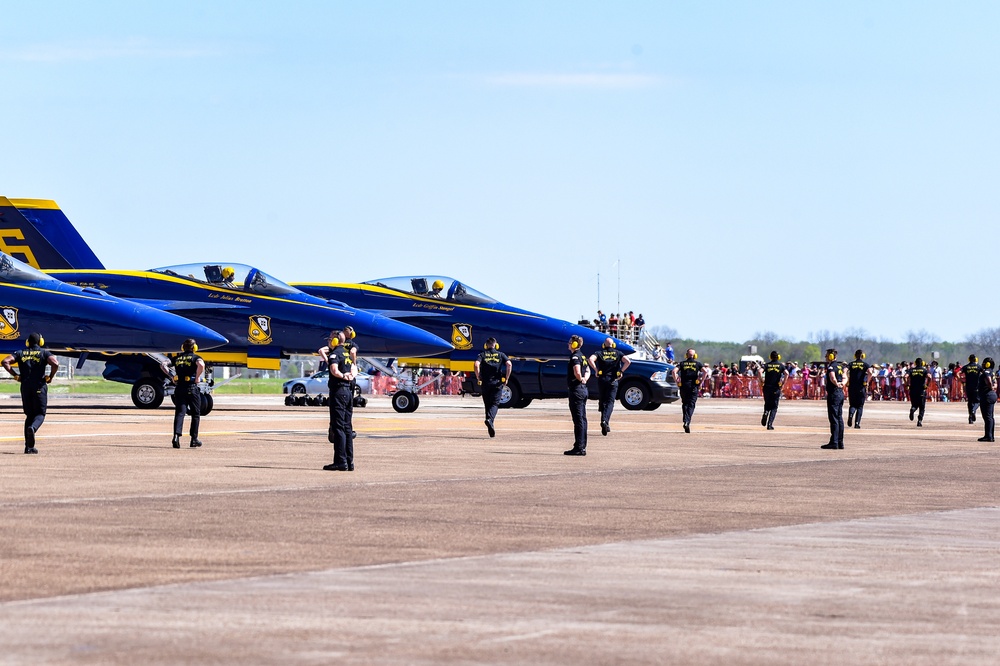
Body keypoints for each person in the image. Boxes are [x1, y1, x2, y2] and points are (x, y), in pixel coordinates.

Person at [2, 332, 58, 454]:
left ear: (28, 342)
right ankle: (33, 428)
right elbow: (55, 363)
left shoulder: (20, 352)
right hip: (39, 386)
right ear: (41, 342)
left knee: (29, 415)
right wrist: (50, 376)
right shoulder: (44, 352)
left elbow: (5, 361)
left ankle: (29, 447)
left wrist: (16, 376)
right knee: (40, 414)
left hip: (25, 387)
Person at [318, 326, 358, 470]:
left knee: (338, 427)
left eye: (329, 339)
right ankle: (349, 462)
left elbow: (334, 370)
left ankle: (340, 462)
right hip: (348, 392)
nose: (328, 342)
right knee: (347, 427)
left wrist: (342, 376)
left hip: (339, 391)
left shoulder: (334, 355)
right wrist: (350, 376)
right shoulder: (347, 354)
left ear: (335, 341)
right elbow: (355, 368)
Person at [160, 338, 205, 448]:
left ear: (182, 347)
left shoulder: (177, 358)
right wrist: (198, 377)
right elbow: (201, 365)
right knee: (195, 414)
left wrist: (171, 377)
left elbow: (163, 364)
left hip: (179, 387)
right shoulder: (195, 358)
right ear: (194, 348)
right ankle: (194, 439)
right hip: (191, 387)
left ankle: (176, 437)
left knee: (180, 413)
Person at [589, 337, 631, 436]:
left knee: (603, 401)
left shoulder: (599, 353)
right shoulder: (618, 353)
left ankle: (604, 421)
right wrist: (621, 371)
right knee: (610, 402)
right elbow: (628, 361)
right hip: (613, 380)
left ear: (604, 345)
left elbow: (590, 359)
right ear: (613, 345)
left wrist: (596, 370)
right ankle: (605, 421)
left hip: (602, 380)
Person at [474, 337, 511, 438]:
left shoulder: (482, 355)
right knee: (494, 404)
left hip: (485, 383)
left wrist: (478, 376)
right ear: (496, 345)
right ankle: (490, 420)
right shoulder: (501, 354)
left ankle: (490, 423)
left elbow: (476, 364)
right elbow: (509, 364)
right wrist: (506, 377)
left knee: (487, 404)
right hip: (497, 383)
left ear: (486, 345)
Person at [564, 334, 590, 456]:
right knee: (583, 419)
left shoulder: (575, 357)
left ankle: (580, 447)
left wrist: (580, 379)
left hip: (576, 390)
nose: (568, 344)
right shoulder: (583, 356)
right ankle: (581, 445)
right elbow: (588, 370)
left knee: (578, 419)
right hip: (583, 389)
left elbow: (577, 371)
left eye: (570, 342)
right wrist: (585, 379)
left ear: (574, 344)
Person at [672, 348, 708, 433]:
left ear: (686, 355)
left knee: (685, 403)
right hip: (693, 386)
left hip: (683, 386)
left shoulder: (682, 363)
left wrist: (676, 381)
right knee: (691, 404)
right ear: (695, 356)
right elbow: (705, 371)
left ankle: (685, 420)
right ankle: (687, 421)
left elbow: (674, 371)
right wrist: (701, 382)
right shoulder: (698, 364)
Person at [757, 350, 788, 430]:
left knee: (767, 403)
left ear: (770, 357)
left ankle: (766, 412)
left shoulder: (767, 365)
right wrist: (783, 383)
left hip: (766, 387)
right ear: (778, 357)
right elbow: (787, 373)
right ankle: (769, 424)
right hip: (776, 388)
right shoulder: (781, 365)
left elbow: (760, 371)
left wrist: (761, 381)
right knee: (774, 407)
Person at [821, 349, 845, 450]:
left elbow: (832, 377)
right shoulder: (840, 366)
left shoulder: (831, 367)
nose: (825, 357)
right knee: (839, 418)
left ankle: (834, 442)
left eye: (827, 355)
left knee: (834, 418)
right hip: (840, 393)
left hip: (834, 394)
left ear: (831, 356)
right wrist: (842, 384)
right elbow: (845, 377)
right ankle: (840, 442)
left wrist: (836, 383)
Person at [846, 349, 873, 429]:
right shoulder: (865, 364)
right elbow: (870, 372)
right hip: (861, 387)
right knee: (860, 406)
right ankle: (857, 423)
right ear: (863, 356)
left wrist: (847, 379)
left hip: (852, 387)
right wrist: (867, 381)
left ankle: (851, 414)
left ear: (855, 355)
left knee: (852, 405)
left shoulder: (851, 364)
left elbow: (845, 370)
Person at [978, 357, 997, 443]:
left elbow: (989, 381)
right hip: (992, 395)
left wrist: (990, 387)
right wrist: (993, 387)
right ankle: (990, 435)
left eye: (984, 363)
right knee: (990, 417)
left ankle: (988, 436)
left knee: (987, 417)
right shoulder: (992, 372)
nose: (982, 364)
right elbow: (995, 383)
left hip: (987, 395)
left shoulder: (986, 372)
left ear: (988, 364)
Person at [906, 358, 928, 427]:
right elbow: (929, 377)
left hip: (913, 390)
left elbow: (905, 376)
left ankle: (913, 409)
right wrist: (927, 385)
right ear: (922, 363)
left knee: (914, 404)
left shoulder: (911, 370)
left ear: (915, 363)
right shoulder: (924, 370)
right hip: (921, 390)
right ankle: (919, 421)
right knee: (922, 407)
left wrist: (907, 384)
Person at [962, 354, 982, 424]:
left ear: (969, 359)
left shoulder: (966, 367)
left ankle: (970, 418)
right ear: (975, 359)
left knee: (970, 402)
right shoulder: (978, 367)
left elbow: (958, 373)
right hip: (976, 387)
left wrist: (961, 380)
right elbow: (984, 374)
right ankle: (973, 410)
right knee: (977, 401)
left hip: (968, 387)